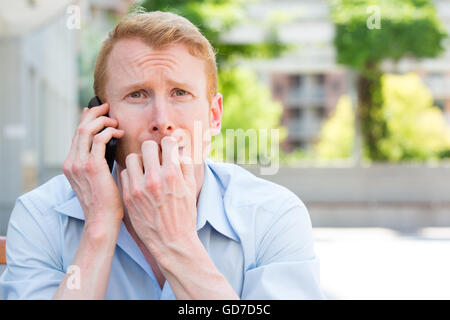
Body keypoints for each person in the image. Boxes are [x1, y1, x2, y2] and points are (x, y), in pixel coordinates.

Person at [0, 10, 325, 300]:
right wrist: (99, 228)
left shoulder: (273, 216)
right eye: (137, 94)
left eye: (180, 93)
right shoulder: (40, 216)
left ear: (214, 116)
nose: (162, 121)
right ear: (98, 118)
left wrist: (176, 243)